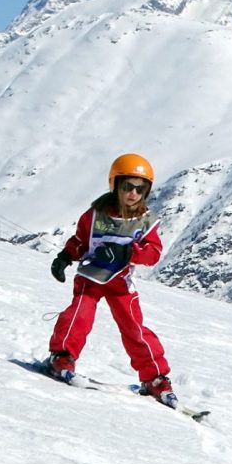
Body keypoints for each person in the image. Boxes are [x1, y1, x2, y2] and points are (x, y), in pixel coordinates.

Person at [46, 153, 178, 407]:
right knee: (79, 314)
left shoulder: (146, 221)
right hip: (91, 277)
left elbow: (153, 253)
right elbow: (81, 241)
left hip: (121, 284)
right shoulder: (95, 215)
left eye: (140, 189)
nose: (133, 194)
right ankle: (62, 356)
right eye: (128, 186)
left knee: (134, 328)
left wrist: (128, 251)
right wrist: (64, 257)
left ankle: (155, 378)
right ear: (115, 184)